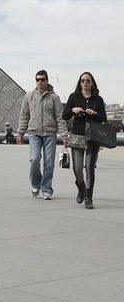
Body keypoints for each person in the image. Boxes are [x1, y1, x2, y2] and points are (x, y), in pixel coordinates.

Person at [16, 70, 66, 200]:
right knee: (34, 159)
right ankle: (35, 184)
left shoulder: (55, 98)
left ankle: (46, 189)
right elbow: (24, 116)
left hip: (50, 133)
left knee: (49, 163)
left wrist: (65, 136)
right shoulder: (29, 96)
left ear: (47, 80)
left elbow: (60, 118)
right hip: (34, 133)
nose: (40, 82)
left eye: (42, 79)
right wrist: (20, 133)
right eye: (37, 79)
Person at [62, 72, 107, 209]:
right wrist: (73, 109)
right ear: (79, 82)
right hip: (77, 135)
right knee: (77, 168)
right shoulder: (74, 97)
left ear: (92, 83)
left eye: (88, 80)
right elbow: (65, 115)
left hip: (92, 137)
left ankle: (89, 197)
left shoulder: (97, 99)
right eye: (83, 80)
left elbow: (103, 118)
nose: (85, 83)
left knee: (89, 168)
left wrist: (95, 114)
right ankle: (81, 187)